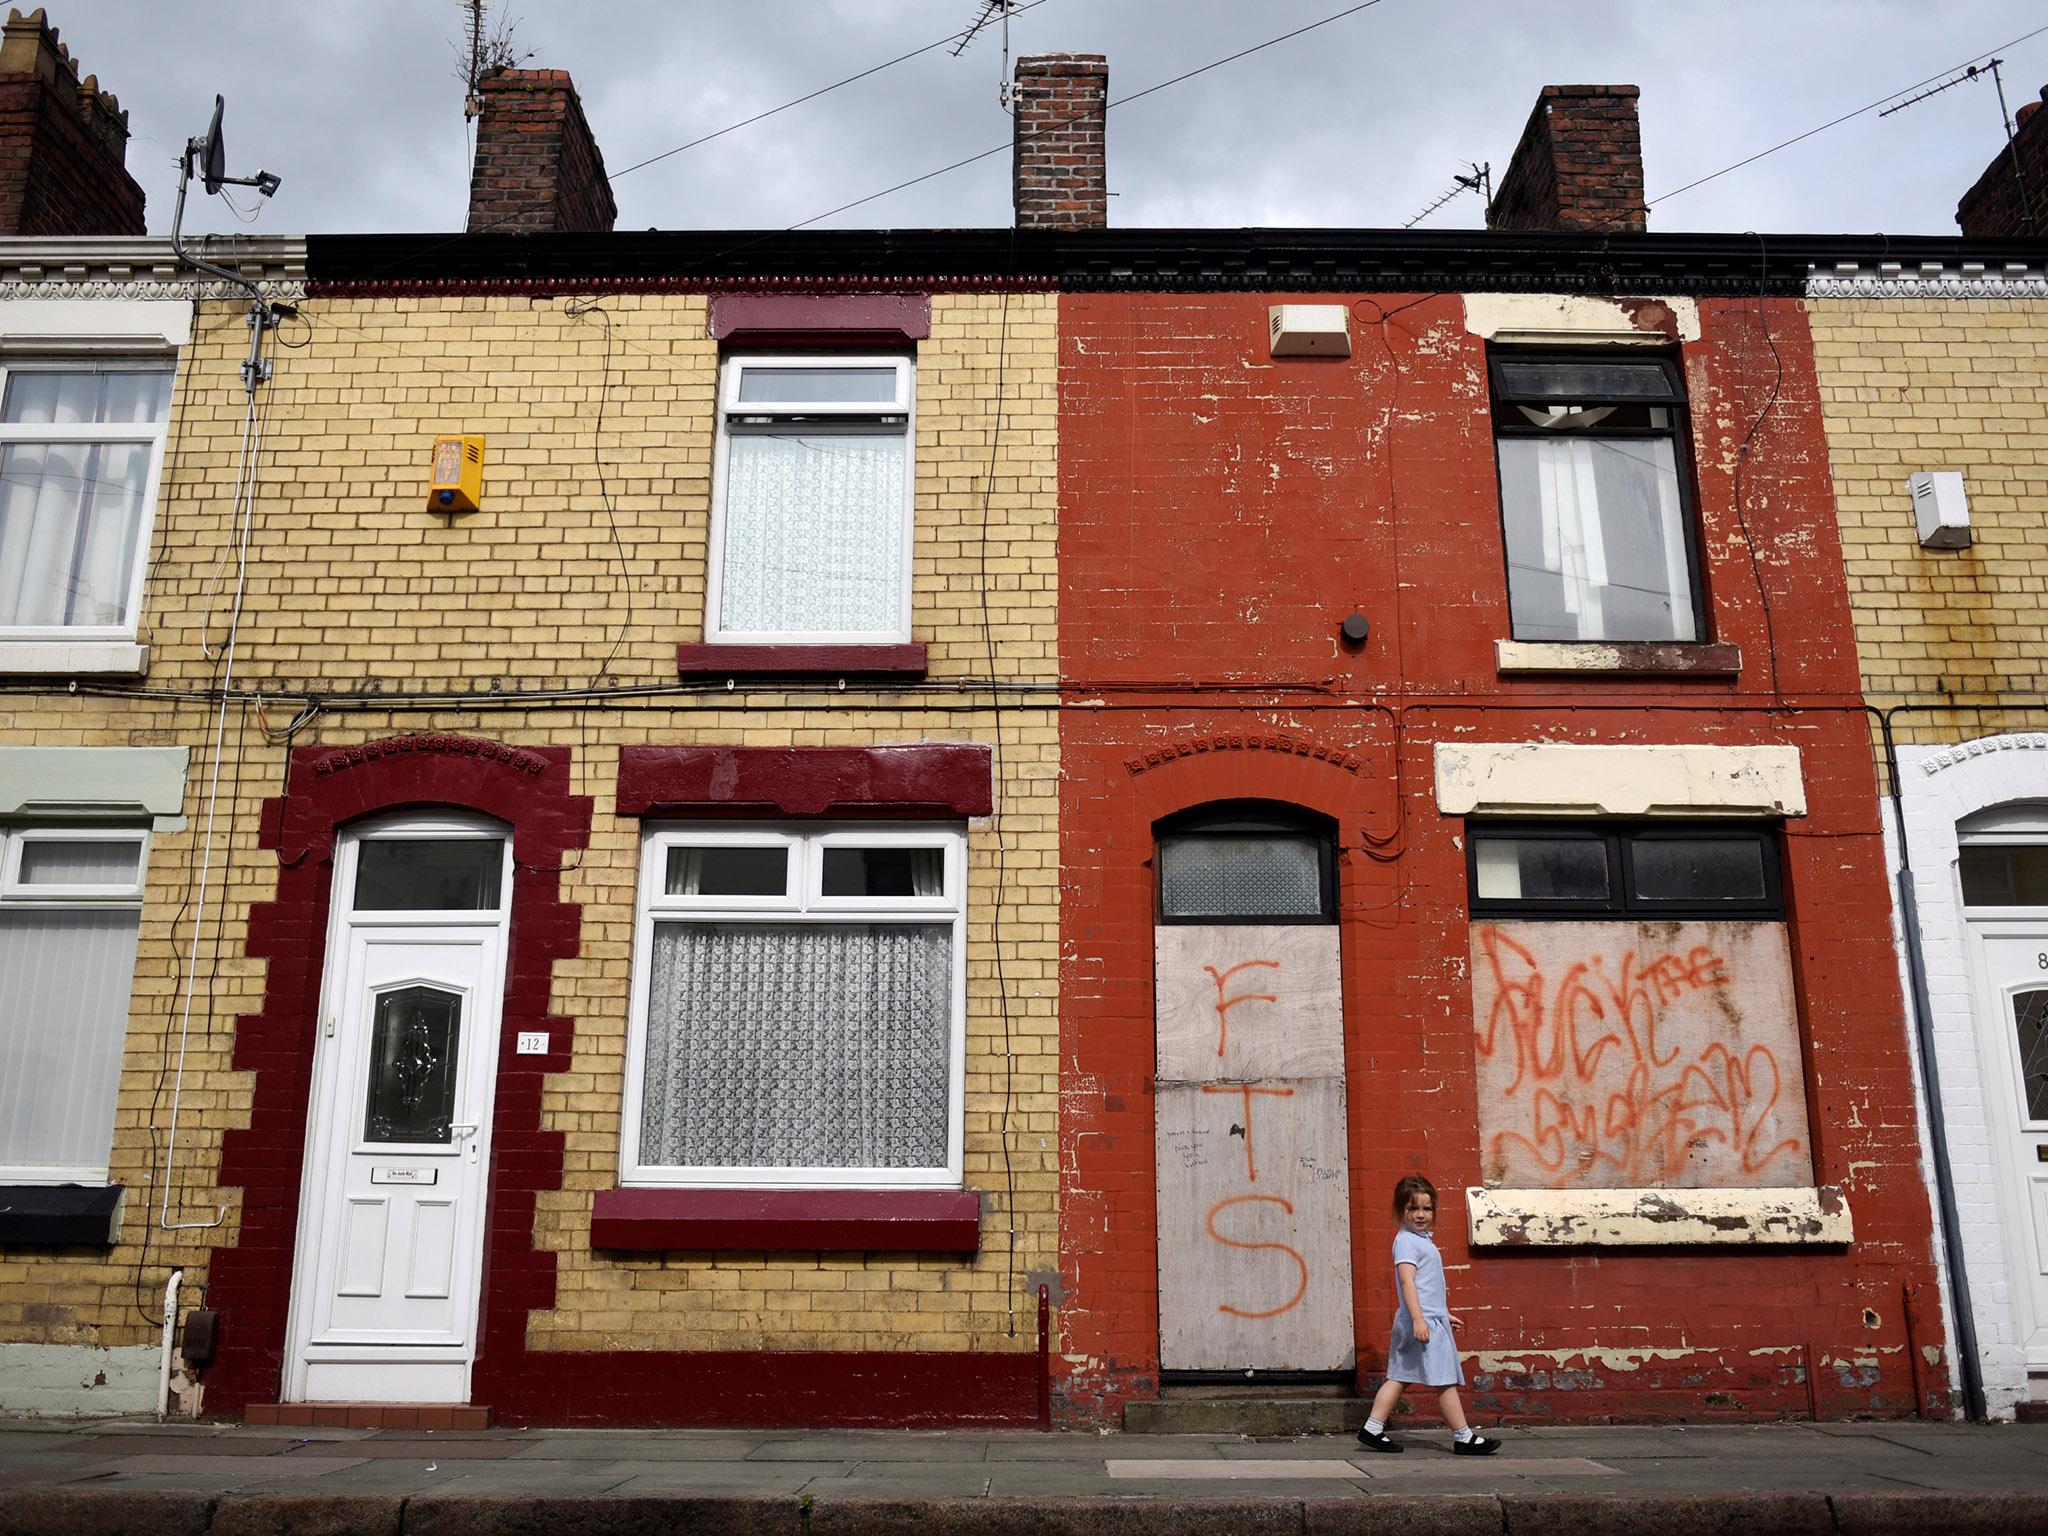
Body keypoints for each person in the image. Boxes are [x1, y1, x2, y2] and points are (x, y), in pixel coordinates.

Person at [1355, 1173, 1500, 1455]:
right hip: (1421, 1323)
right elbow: (1408, 1281)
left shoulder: (1420, 1241)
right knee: (1444, 1379)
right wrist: (1421, 1319)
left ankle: (1372, 1428)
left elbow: (1427, 1285)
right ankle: (1463, 1437)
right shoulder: (1407, 1242)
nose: (1420, 1215)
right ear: (1400, 1211)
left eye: (1426, 1208)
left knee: (1399, 1376)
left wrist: (1443, 1314)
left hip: (1425, 1319)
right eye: (1412, 1209)